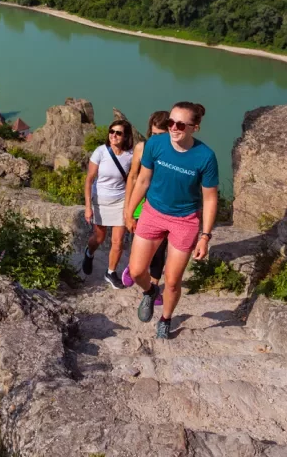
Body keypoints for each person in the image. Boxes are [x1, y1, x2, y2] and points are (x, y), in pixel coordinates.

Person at [125, 102, 218, 340]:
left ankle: (165, 319)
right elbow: (143, 180)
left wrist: (205, 236)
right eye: (170, 123)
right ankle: (149, 290)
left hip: (185, 220)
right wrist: (129, 210)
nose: (173, 128)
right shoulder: (155, 144)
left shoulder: (205, 157)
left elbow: (209, 199)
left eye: (180, 124)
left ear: (194, 127)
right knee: (136, 271)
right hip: (153, 212)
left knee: (174, 281)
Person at [121, 111, 170, 302]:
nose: (157, 138)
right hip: (142, 203)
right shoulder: (142, 148)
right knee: (141, 241)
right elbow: (133, 177)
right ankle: (134, 266)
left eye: (161, 135)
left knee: (160, 248)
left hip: (163, 204)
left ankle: (154, 287)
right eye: (154, 134)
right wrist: (128, 209)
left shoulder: (175, 152)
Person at [82, 119, 134, 289]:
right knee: (99, 237)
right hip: (100, 200)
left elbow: (134, 180)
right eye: (111, 131)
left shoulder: (131, 155)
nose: (113, 135)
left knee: (118, 242)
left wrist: (130, 207)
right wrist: (88, 206)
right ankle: (89, 253)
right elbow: (89, 179)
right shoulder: (101, 152)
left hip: (120, 200)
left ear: (126, 136)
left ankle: (111, 272)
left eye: (118, 133)